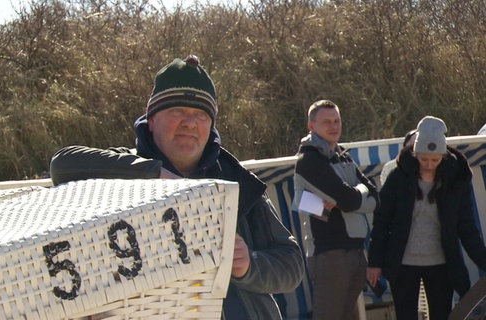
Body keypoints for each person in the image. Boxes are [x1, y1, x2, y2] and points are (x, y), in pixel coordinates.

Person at [49, 55, 305, 320]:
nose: (190, 123)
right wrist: (152, 174)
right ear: (151, 119)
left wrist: (249, 264)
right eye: (177, 111)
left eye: (201, 115)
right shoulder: (122, 170)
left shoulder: (237, 181)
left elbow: (292, 263)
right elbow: (62, 165)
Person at [367, 116, 486, 320]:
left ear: (444, 155)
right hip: (403, 263)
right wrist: (375, 262)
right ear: (414, 154)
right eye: (423, 159)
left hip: (441, 263)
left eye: (435, 160)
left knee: (442, 315)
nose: (429, 164)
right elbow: (382, 221)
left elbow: (467, 228)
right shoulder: (397, 177)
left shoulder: (456, 179)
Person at [291, 99, 379, 320]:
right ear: (311, 126)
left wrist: (352, 195)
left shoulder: (344, 156)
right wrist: (356, 196)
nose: (333, 126)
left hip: (356, 251)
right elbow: (349, 201)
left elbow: (375, 196)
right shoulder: (309, 160)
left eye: (336, 120)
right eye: (326, 121)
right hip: (329, 254)